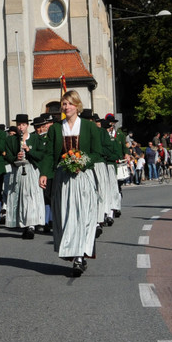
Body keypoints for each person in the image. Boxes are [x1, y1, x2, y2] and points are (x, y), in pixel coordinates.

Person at [41, 90, 103, 276]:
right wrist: (45, 173)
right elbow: (50, 154)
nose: (66, 107)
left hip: (83, 177)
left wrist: (82, 162)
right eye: (64, 104)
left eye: (69, 103)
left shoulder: (89, 127)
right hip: (63, 178)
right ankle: (73, 253)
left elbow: (97, 153)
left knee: (83, 216)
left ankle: (80, 256)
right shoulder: (55, 128)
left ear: (77, 106)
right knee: (67, 216)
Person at [3, 113, 44, 239]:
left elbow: (41, 155)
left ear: (27, 125)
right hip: (18, 170)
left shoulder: (35, 138)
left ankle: (31, 225)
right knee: (20, 197)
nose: (21, 127)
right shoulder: (11, 140)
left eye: (23, 125)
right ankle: (23, 223)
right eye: (19, 125)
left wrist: (29, 150)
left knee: (31, 196)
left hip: (31, 169)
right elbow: (7, 156)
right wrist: (16, 157)